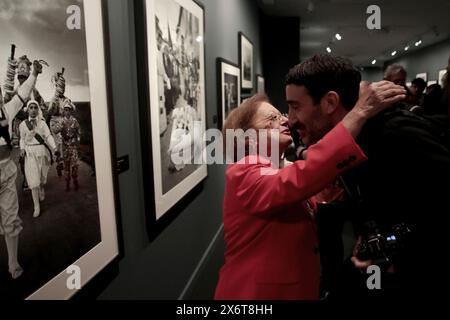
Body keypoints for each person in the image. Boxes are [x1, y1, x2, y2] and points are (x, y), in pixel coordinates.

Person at [214, 79, 405, 300]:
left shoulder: (282, 168)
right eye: (272, 118)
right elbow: (303, 177)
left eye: (282, 114)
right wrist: (359, 113)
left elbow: (320, 194)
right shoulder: (243, 171)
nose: (286, 120)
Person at [286, 54, 450, 299]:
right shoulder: (350, 141)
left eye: (295, 106)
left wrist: (404, 257)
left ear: (330, 102)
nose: (289, 119)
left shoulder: (395, 133)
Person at [1, 60, 43, 279]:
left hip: (6, 172)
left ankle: (12, 263)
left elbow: (23, 94)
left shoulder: (7, 110)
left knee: (10, 217)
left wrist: (34, 74)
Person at [19, 100, 58, 218]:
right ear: (28, 109)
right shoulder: (23, 124)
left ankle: (41, 186)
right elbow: (22, 138)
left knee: (41, 176)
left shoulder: (42, 123)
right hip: (30, 153)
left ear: (38, 109)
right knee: (33, 180)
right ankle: (36, 206)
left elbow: (48, 136)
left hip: (42, 152)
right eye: (31, 107)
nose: (33, 110)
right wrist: (22, 148)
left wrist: (54, 147)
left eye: (35, 107)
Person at [59, 100, 81, 191]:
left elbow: (79, 131)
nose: (67, 112)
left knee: (75, 164)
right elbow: (57, 132)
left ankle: (75, 180)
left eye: (68, 110)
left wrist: (78, 141)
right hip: (65, 146)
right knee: (66, 165)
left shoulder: (74, 121)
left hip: (73, 145)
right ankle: (67, 183)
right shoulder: (61, 121)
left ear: (71, 111)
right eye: (65, 110)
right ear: (63, 111)